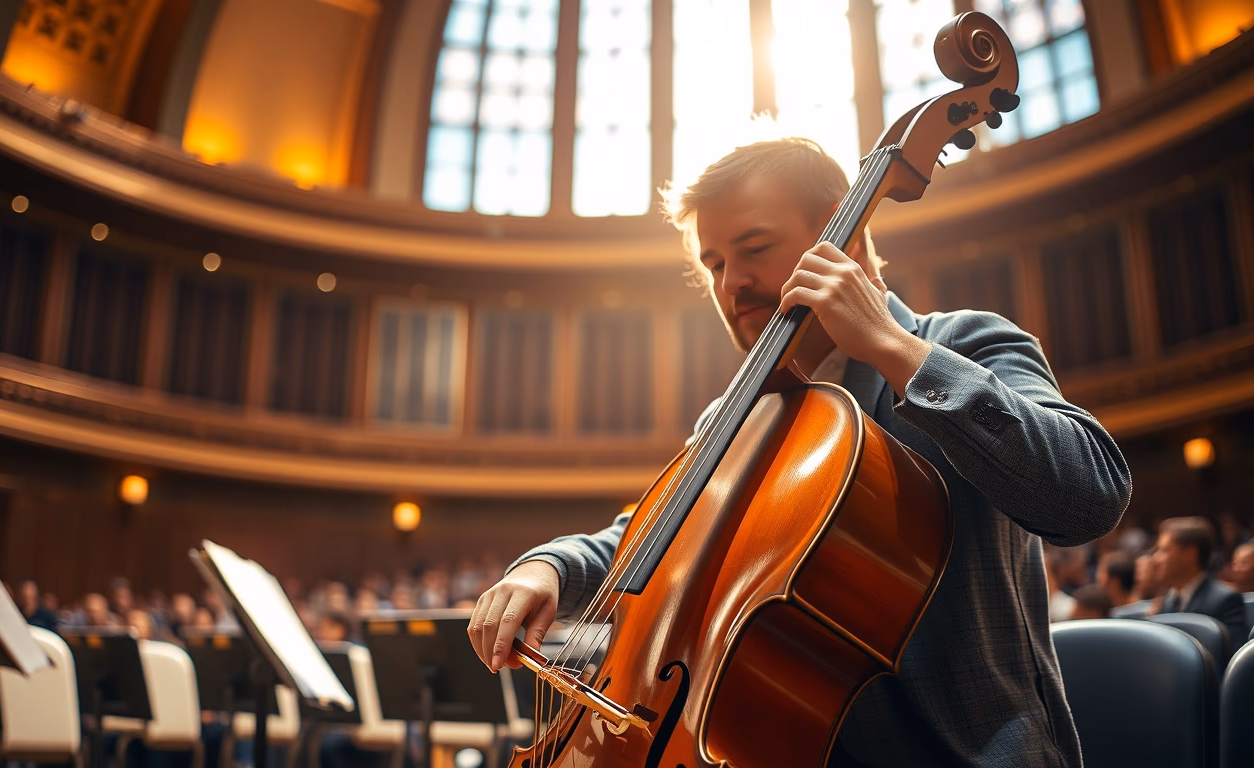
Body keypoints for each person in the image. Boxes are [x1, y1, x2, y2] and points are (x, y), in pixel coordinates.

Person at [468, 138, 1132, 768]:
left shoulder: (962, 344)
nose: (731, 285)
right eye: (714, 264)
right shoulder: (741, 417)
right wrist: (547, 567)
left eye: (753, 249)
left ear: (845, 236)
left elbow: (1090, 493)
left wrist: (894, 352)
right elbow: (647, 535)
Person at [1153, 516, 1248, 645]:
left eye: (1164, 550)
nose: (1155, 559)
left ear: (1189, 555)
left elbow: (1231, 660)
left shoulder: (1226, 600)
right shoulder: (1166, 602)